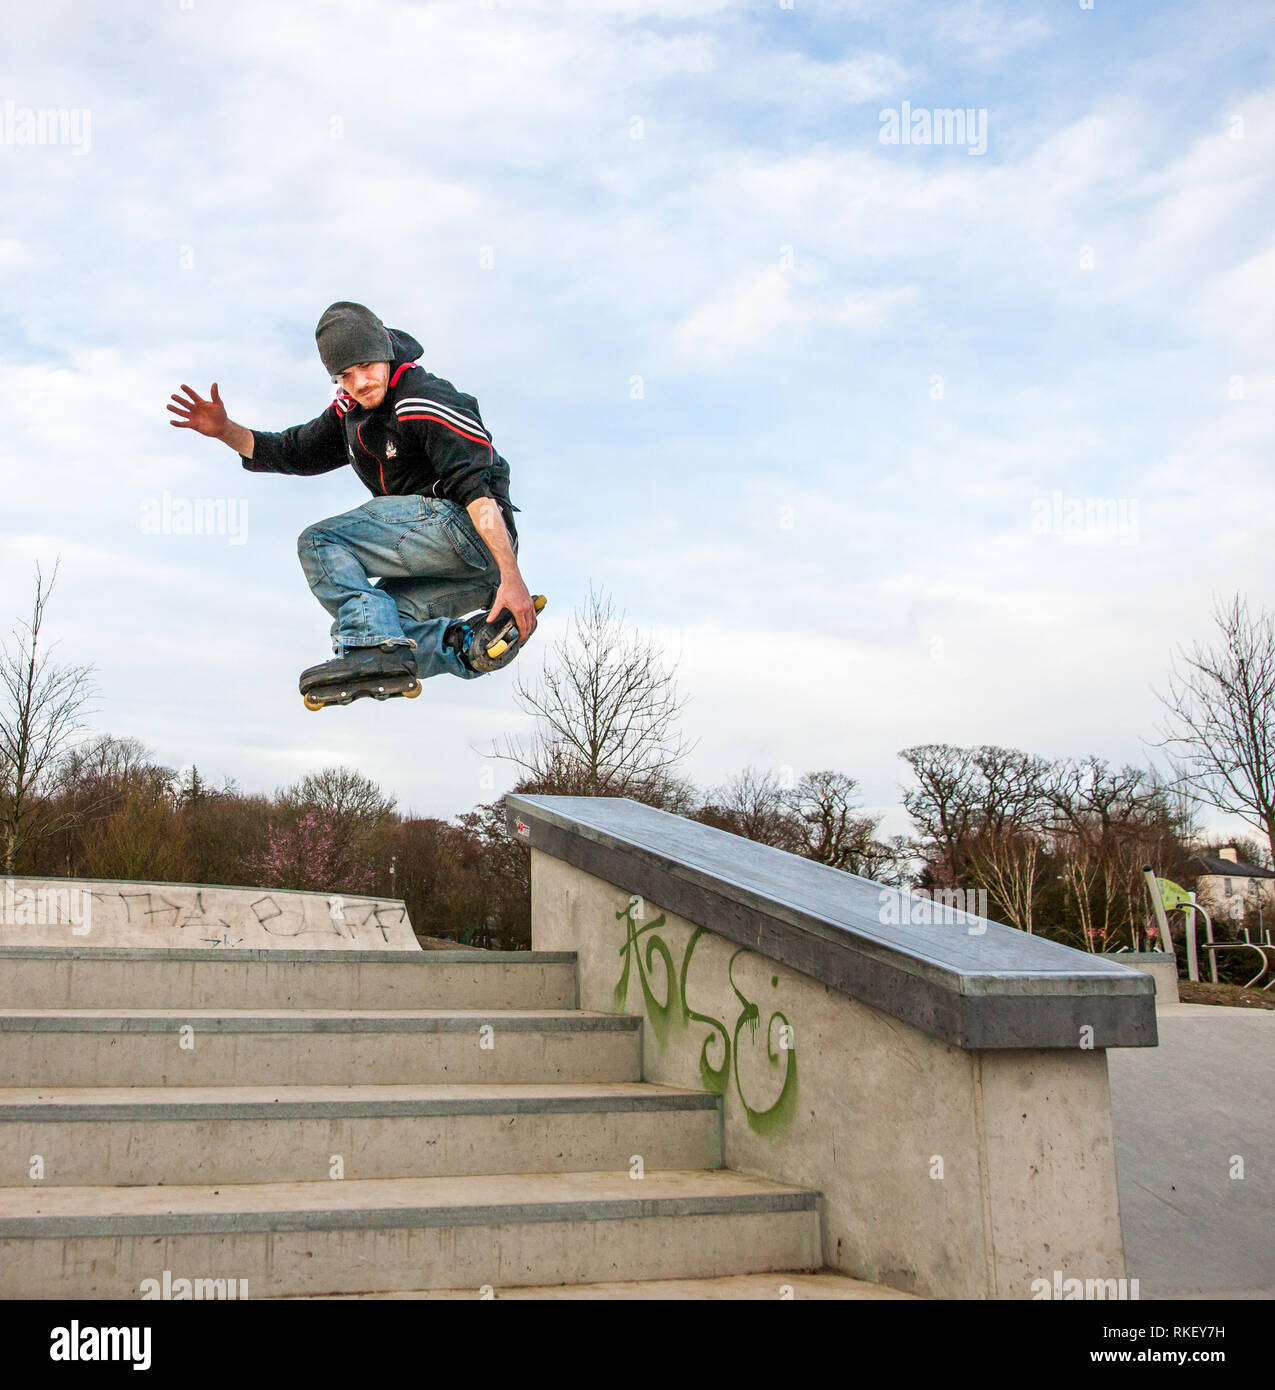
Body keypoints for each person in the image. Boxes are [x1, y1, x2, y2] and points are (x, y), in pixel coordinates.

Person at [168, 301, 538, 691]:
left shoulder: (423, 398)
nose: (359, 383)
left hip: (472, 532)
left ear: (386, 354)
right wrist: (226, 429)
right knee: (379, 624)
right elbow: (295, 450)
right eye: (345, 376)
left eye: (367, 367)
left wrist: (512, 578)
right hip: (475, 571)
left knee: (321, 542)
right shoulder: (351, 411)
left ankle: (374, 645)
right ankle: (467, 646)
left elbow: (475, 490)